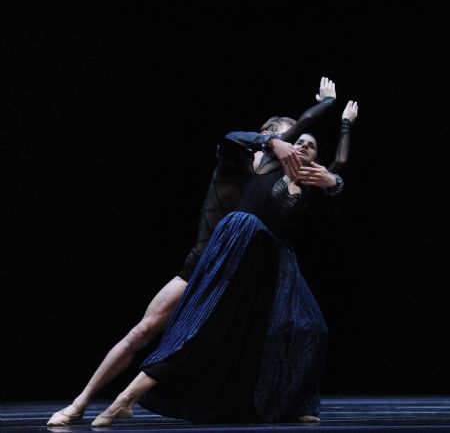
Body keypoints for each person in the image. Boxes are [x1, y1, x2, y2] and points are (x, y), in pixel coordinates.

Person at [46, 77, 353, 426]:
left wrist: (335, 173)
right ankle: (81, 401)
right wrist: (276, 138)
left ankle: (283, 403)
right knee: (143, 331)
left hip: (243, 269)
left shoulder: (286, 179)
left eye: (295, 143)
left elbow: (327, 178)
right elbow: (234, 139)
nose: (291, 148)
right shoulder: (242, 160)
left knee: (284, 331)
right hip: (204, 261)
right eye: (285, 140)